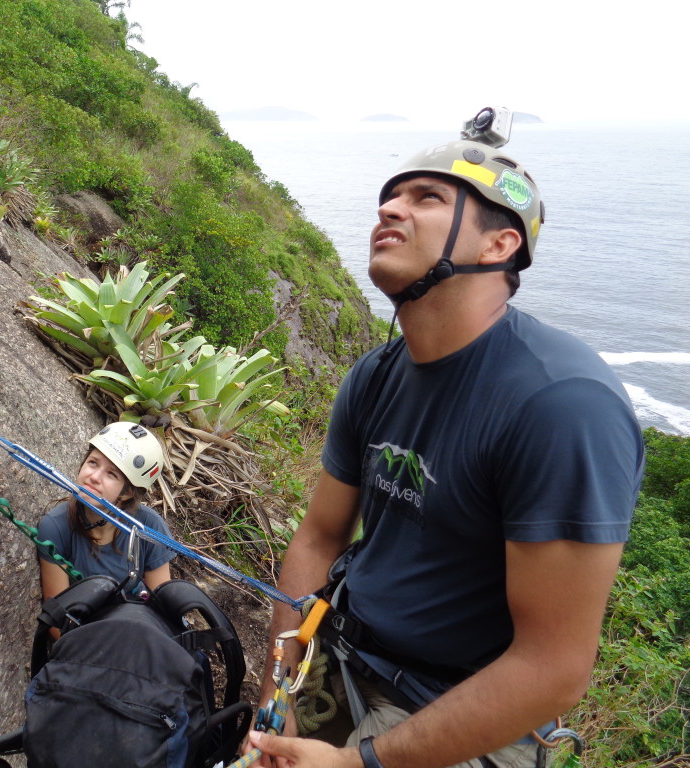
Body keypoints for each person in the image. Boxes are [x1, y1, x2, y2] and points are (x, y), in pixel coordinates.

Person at [247, 134, 645, 768]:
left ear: (499, 243)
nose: (389, 210)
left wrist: (358, 764)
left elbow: (554, 667)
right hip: (346, 658)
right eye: (389, 198)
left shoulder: (563, 405)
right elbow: (320, 538)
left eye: (426, 197)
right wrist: (277, 692)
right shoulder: (377, 374)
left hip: (460, 713)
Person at [37, 421, 175, 600]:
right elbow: (57, 619)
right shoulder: (56, 527)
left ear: (127, 493)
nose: (94, 477)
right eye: (93, 463)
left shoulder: (148, 527)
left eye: (111, 474)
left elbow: (163, 603)